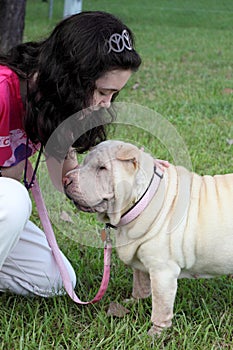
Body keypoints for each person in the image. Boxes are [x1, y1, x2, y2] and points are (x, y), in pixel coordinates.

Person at [0, 11, 141, 296]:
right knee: (14, 202)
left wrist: (125, 198)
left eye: (114, 95)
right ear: (72, 76)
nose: (106, 104)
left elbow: (69, 180)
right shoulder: (3, 90)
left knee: (52, 279)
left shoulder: (51, 104)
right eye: (103, 91)